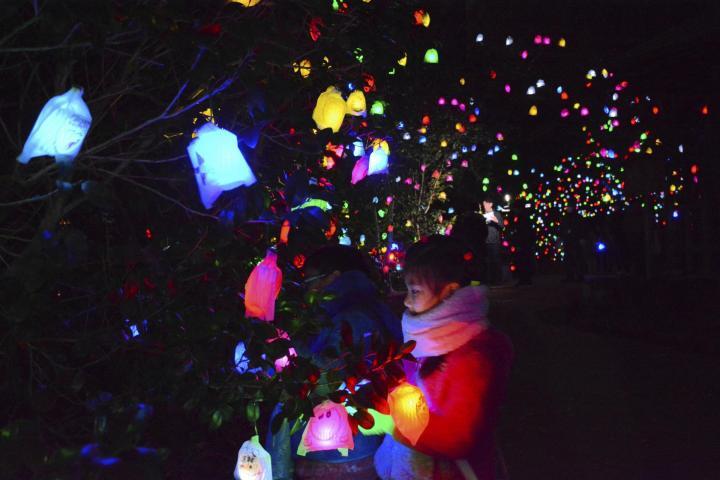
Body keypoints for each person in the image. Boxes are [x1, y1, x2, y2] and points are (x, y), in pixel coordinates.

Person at [374, 235, 514, 480]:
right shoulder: (428, 341)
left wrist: (390, 422)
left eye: (415, 291)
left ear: (449, 292)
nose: (406, 300)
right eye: (407, 290)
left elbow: (456, 438)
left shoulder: (472, 356)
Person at [267, 244, 401, 480]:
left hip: (341, 451)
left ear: (335, 277)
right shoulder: (355, 309)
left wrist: (287, 348)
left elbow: (331, 375)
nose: (308, 288)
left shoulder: (354, 317)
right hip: (351, 446)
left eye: (311, 280)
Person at [451, 211, 488, 284]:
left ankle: (470, 285)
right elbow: (484, 232)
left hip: (466, 246)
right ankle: (474, 285)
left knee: (470, 268)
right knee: (476, 269)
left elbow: (455, 233)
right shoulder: (478, 218)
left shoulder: (461, 219)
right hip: (474, 246)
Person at [481, 196, 504, 285]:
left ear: (491, 204)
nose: (484, 206)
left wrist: (496, 220)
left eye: (486, 204)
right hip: (485, 241)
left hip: (494, 242)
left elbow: (502, 225)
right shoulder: (482, 215)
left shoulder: (496, 214)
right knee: (488, 262)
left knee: (496, 261)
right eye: (483, 204)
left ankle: (498, 280)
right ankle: (490, 280)